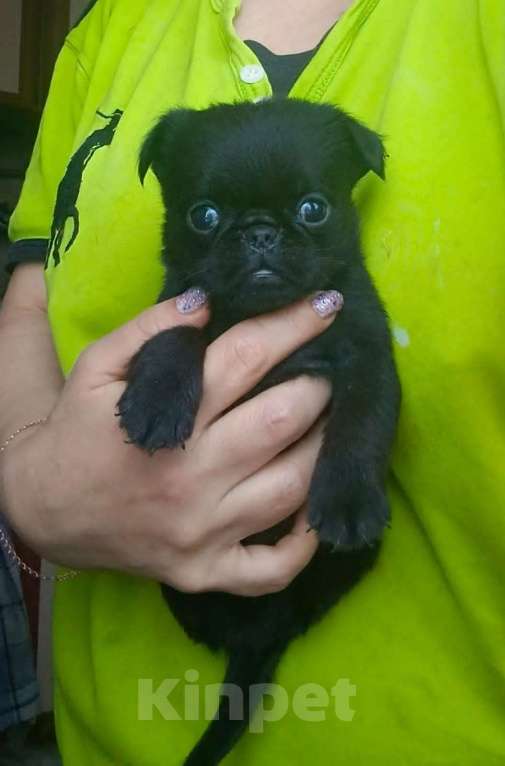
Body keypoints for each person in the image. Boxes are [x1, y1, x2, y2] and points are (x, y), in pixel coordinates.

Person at [1, 0, 504, 763]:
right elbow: (30, 302)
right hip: (110, 728)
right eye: (208, 217)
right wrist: (28, 482)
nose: (263, 242)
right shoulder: (111, 29)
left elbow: (367, 372)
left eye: (306, 211)